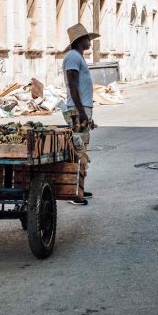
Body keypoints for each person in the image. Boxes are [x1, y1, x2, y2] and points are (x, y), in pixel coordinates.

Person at [63, 23, 97, 206]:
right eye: (87, 38)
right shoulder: (73, 57)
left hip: (81, 109)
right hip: (77, 110)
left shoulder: (78, 57)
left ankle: (80, 189)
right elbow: (73, 86)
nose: (89, 41)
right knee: (79, 151)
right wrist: (82, 113)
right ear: (79, 41)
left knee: (81, 150)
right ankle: (75, 194)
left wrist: (88, 115)